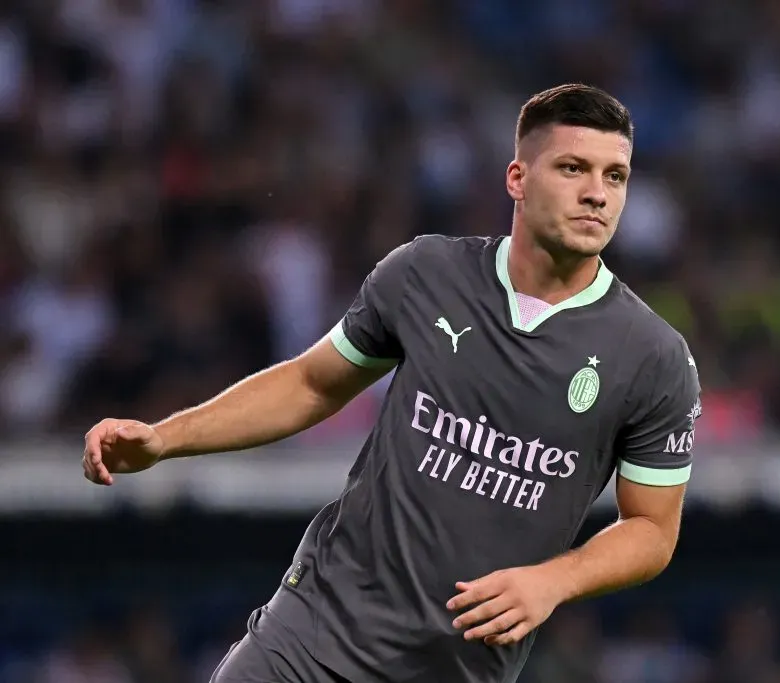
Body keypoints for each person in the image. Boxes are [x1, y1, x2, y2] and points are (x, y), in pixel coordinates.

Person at [82, 83, 702, 683]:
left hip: (454, 666)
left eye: (614, 176)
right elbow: (311, 384)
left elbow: (651, 530)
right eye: (572, 168)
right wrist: (165, 438)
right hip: (316, 630)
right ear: (517, 179)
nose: (597, 194)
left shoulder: (652, 358)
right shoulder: (425, 273)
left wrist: (554, 581)